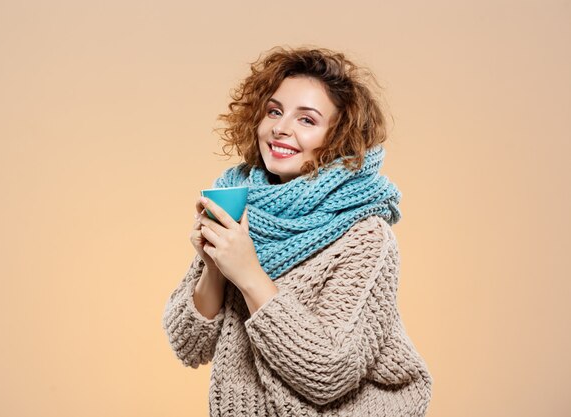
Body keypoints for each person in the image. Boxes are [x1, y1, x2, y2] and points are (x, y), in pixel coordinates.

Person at [162, 45, 433, 416]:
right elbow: (189, 346)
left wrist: (248, 273)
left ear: (339, 138)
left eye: (307, 120)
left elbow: (328, 373)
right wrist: (214, 264)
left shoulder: (365, 235)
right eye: (274, 111)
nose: (281, 128)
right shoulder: (242, 206)